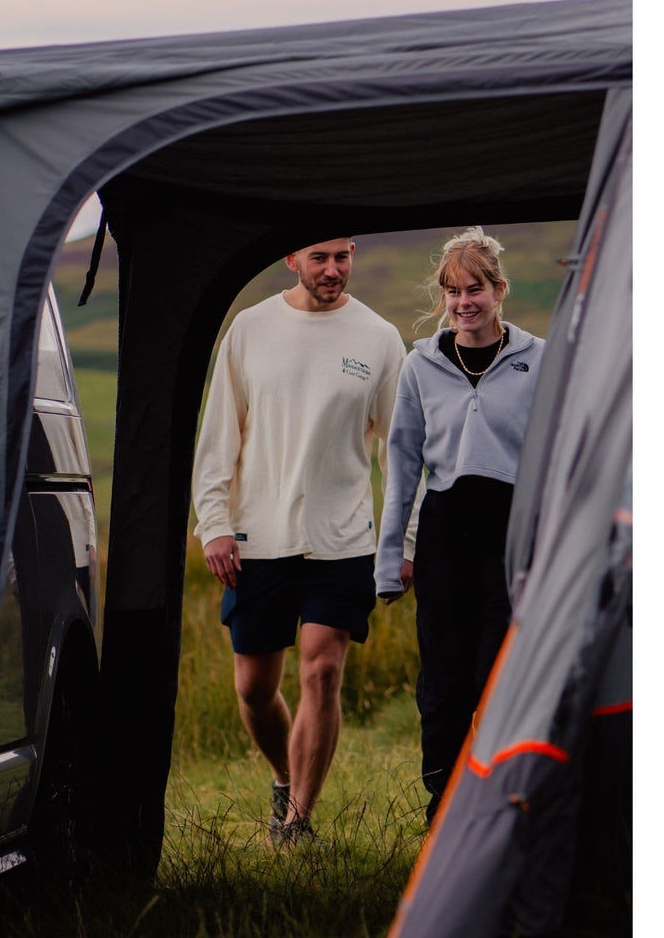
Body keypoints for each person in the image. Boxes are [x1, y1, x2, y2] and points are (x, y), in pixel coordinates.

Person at [192, 237, 415, 844]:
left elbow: (401, 453)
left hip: (342, 541)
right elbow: (218, 436)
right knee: (255, 689)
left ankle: (298, 824)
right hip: (256, 537)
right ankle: (284, 779)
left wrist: (404, 540)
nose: (333, 269)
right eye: (319, 257)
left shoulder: (378, 337)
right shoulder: (250, 329)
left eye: (343, 256)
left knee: (322, 673)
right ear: (291, 258)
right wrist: (213, 524)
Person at [374, 226, 544, 825]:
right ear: (442, 297)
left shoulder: (539, 359)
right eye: (453, 292)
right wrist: (390, 560)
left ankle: (503, 808)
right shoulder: (421, 366)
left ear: (500, 290)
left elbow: (553, 460)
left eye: (476, 289)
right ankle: (441, 811)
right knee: (443, 683)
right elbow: (402, 464)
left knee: (498, 676)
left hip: (511, 538)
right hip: (445, 534)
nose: (464, 302)